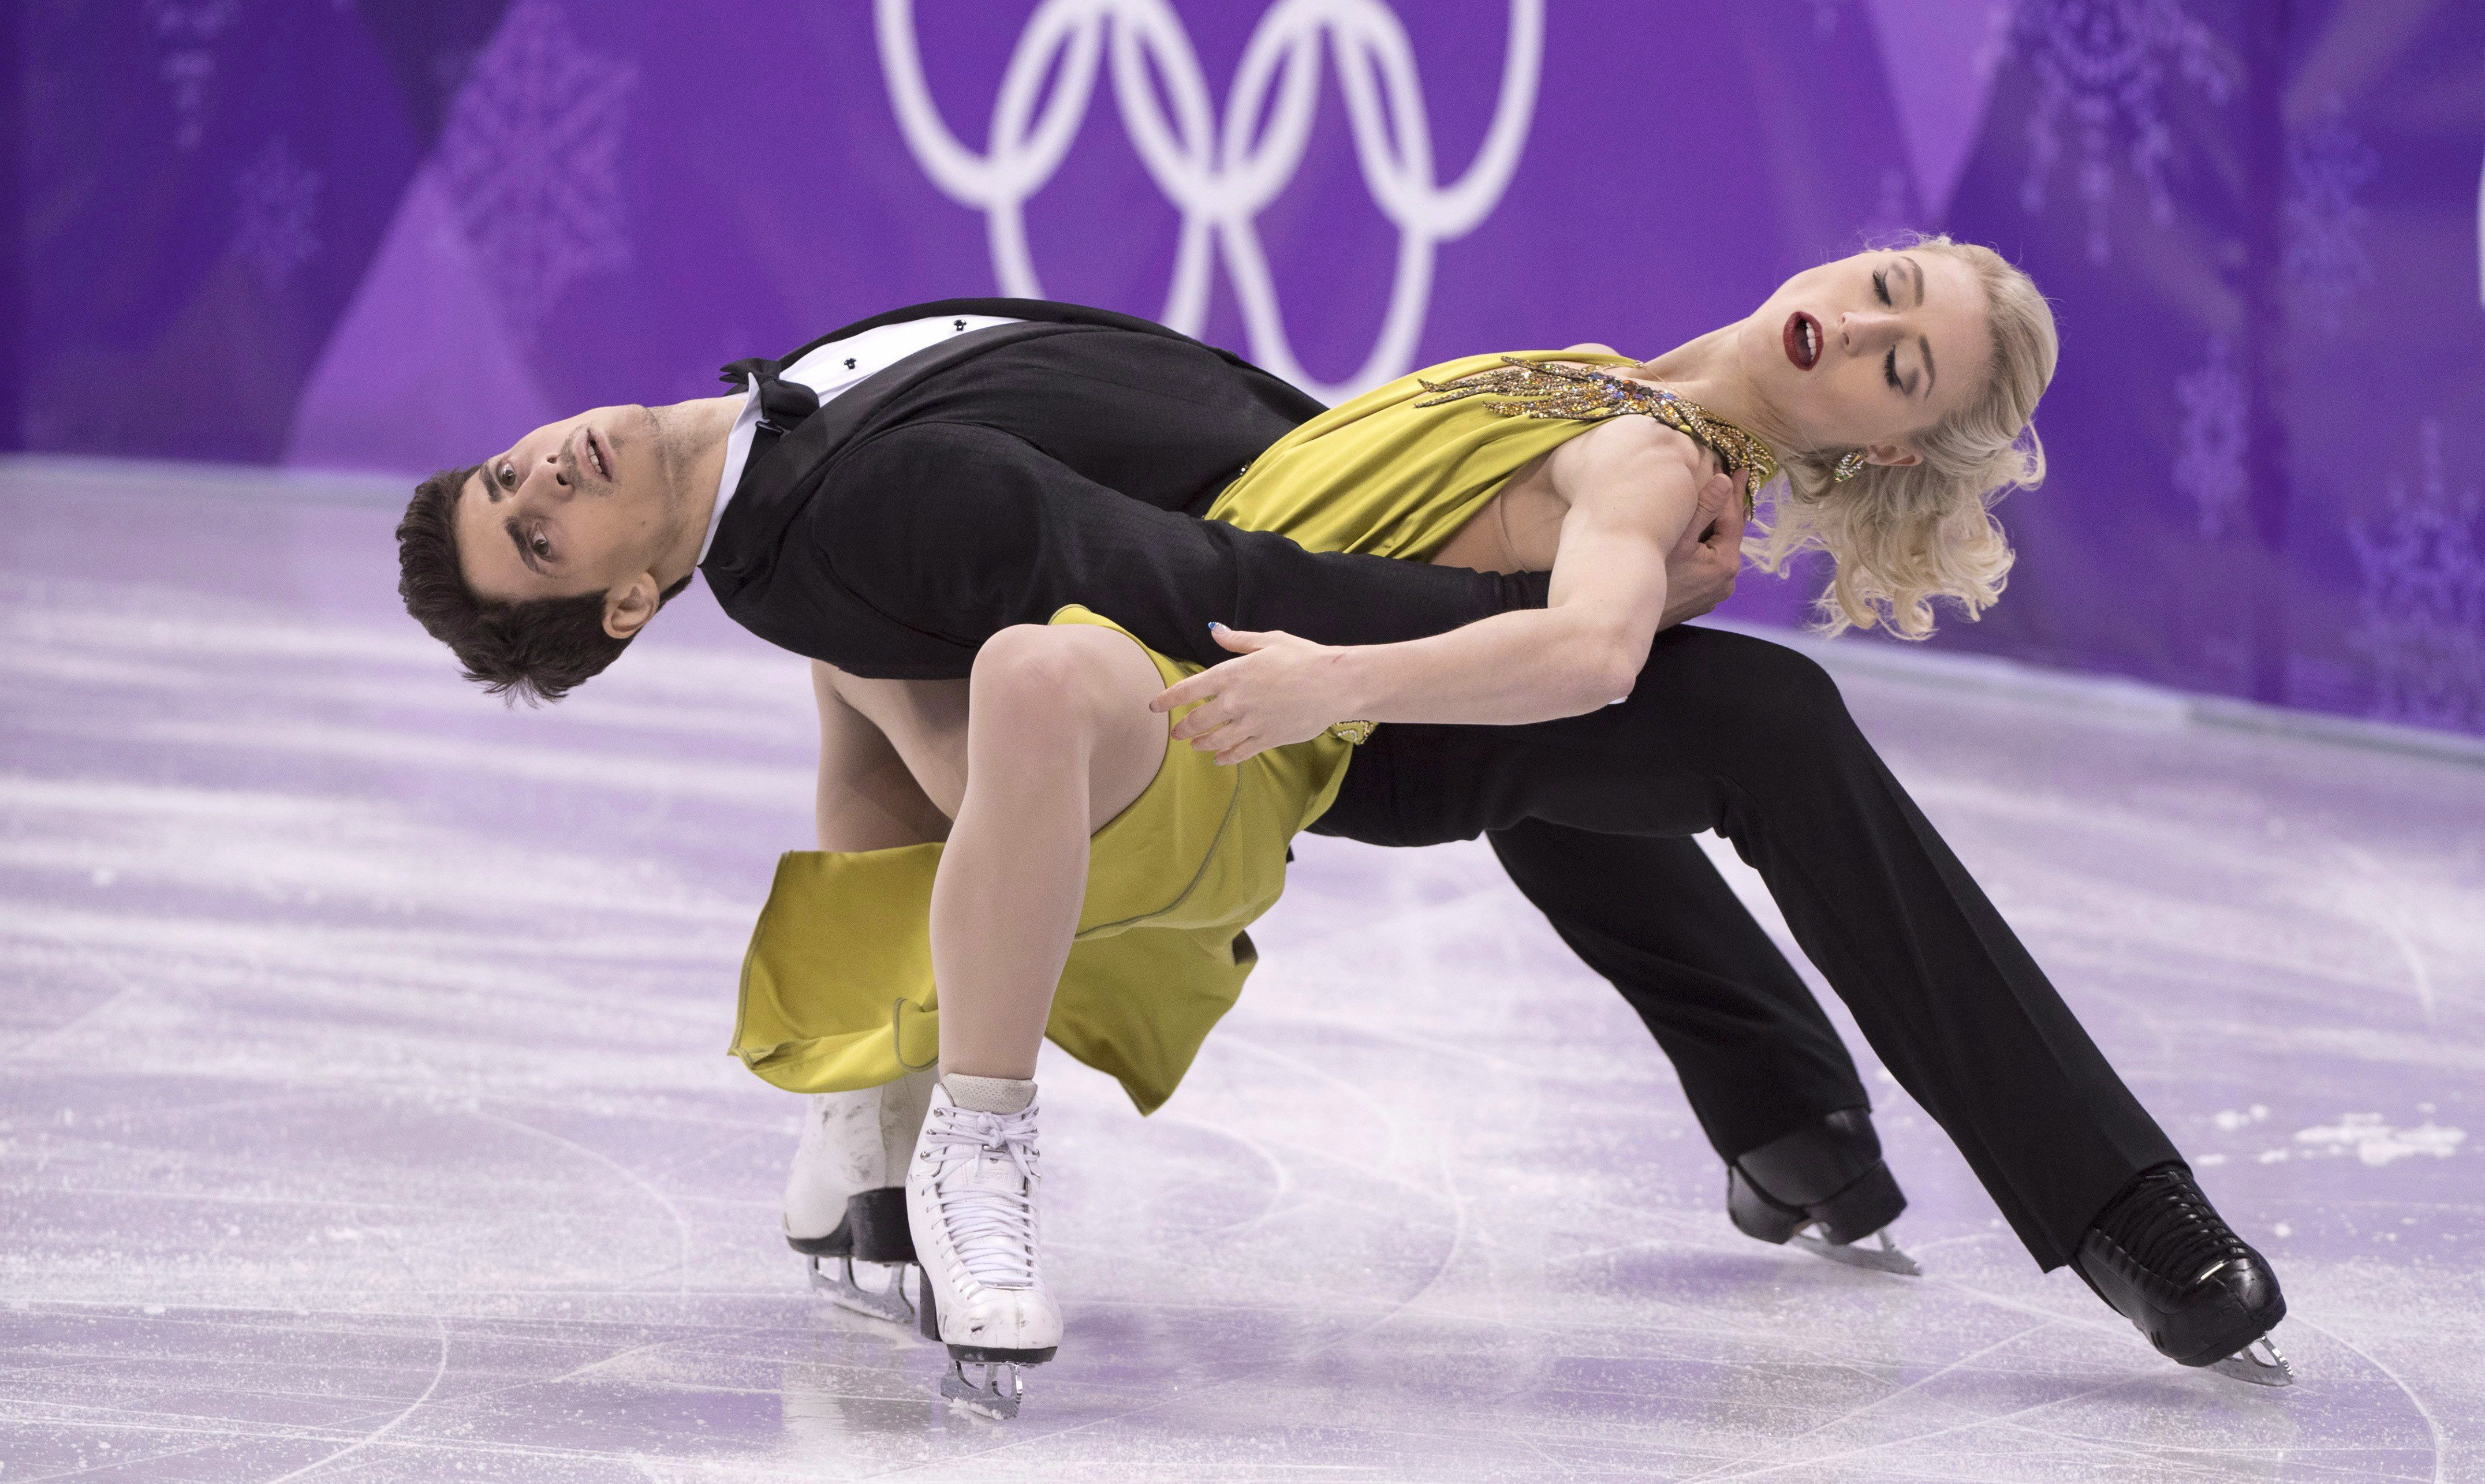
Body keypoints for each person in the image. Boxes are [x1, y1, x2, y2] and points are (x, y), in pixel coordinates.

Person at [397, 241, 2288, 1415]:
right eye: (1886, 295)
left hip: (1328, 650)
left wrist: (1409, 627)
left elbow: (1551, 605)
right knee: (1656, 722)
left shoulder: (1658, 440)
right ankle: (1932, 1155)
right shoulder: (1635, 408)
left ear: (1882, 436)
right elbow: (921, 665)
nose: (1865, 320)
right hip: (1281, 661)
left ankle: (1878, 1150)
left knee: (1654, 739)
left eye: (1901, 347)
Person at [398, 297, 1915, 1304]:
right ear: (621, 600)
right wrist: (1470, 611)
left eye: (508, 476)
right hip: (1280, 656)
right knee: (1580, 728)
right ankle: (893, 1111)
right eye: (538, 533)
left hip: (1292, 559)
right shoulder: (825, 525)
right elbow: (1152, 586)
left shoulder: (774, 436)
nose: (546, 473)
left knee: (1564, 798)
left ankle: (1796, 1122)